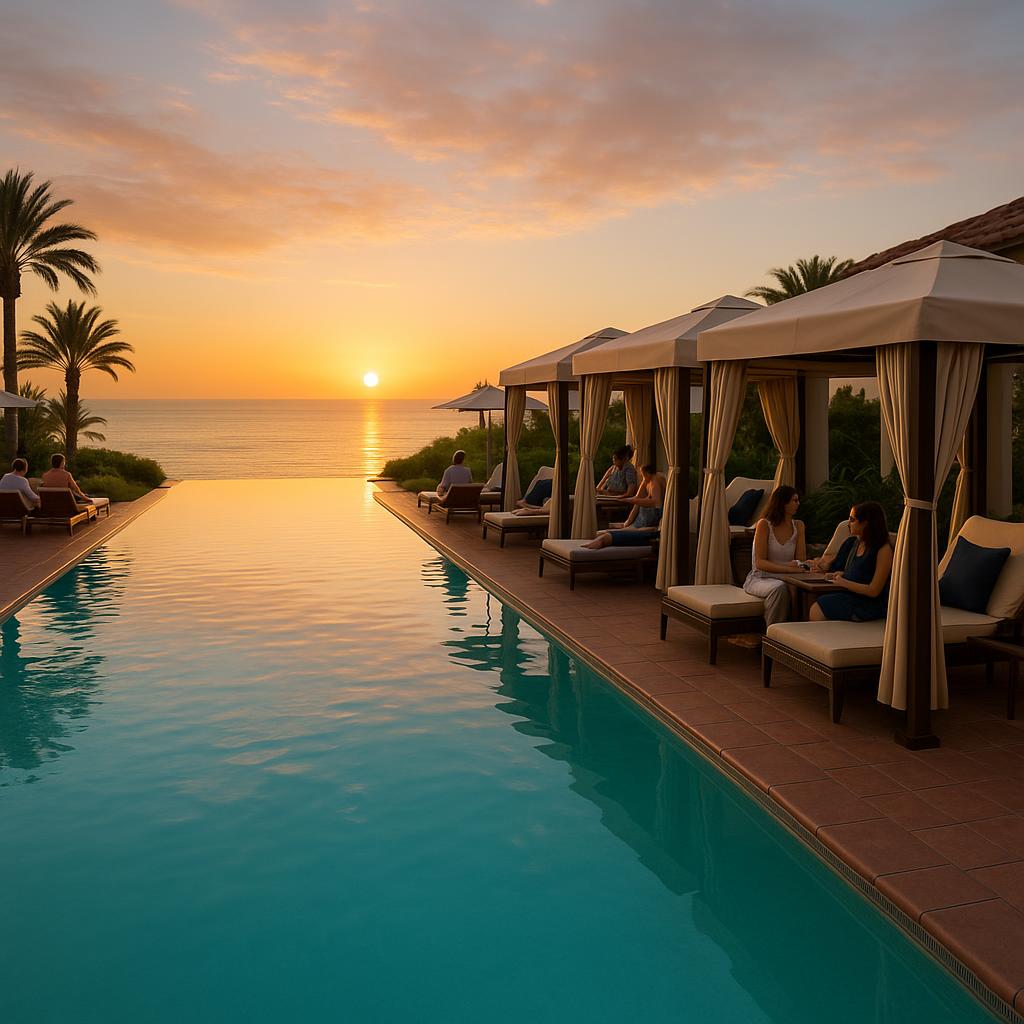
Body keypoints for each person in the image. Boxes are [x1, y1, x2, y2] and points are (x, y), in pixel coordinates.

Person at [810, 501, 893, 622]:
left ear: (865, 523)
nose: (848, 524)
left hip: (868, 604)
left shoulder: (883, 550)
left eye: (852, 520)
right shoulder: (855, 544)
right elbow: (859, 574)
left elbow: (874, 590)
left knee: (819, 607)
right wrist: (841, 574)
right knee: (816, 603)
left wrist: (843, 582)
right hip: (852, 596)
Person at [742, 485, 807, 627]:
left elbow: (800, 560)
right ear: (783, 503)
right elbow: (760, 563)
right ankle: (772, 635)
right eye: (794, 501)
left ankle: (795, 633)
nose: (798, 504)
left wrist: (797, 567)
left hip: (787, 577)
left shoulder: (799, 526)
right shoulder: (764, 525)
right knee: (780, 588)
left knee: (798, 590)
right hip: (760, 577)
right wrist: (788, 568)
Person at [583, 464, 663, 549]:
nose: (642, 477)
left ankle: (601, 542)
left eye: (643, 474)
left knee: (604, 536)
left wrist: (629, 500)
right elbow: (637, 498)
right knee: (599, 533)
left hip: (647, 525)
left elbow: (655, 503)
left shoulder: (656, 481)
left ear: (647, 473)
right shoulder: (647, 480)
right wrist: (628, 520)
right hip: (639, 522)